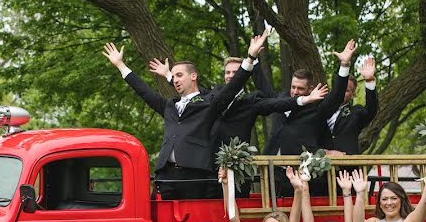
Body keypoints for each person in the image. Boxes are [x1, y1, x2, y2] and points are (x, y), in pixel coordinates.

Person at [102, 29, 269, 200]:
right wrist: (121, 65)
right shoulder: (169, 106)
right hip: (165, 175)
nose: (175, 79)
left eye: (180, 75)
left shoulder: (209, 105)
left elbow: (232, 88)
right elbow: (144, 92)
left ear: (193, 76)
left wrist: (250, 57)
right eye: (173, 77)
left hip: (194, 175)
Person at [148, 56, 330, 198]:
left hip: (236, 170)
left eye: (235, 72)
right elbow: (190, 88)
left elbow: (276, 105)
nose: (230, 76)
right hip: (208, 169)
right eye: (227, 72)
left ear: (243, 74)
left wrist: (305, 100)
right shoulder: (213, 96)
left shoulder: (252, 100)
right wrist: (168, 75)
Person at [262, 40, 357, 196]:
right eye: (293, 87)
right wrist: (252, 57)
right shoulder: (280, 102)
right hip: (274, 173)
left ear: (310, 89)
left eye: (300, 88)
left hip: (304, 174)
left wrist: (345, 64)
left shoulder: (316, 108)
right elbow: (264, 88)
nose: (295, 91)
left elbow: (336, 96)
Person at [327, 57, 378, 155]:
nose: (341, 92)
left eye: (346, 90)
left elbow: (371, 110)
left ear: (353, 94)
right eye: (339, 88)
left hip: (346, 164)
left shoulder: (356, 112)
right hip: (321, 164)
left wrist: (369, 81)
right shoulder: (321, 108)